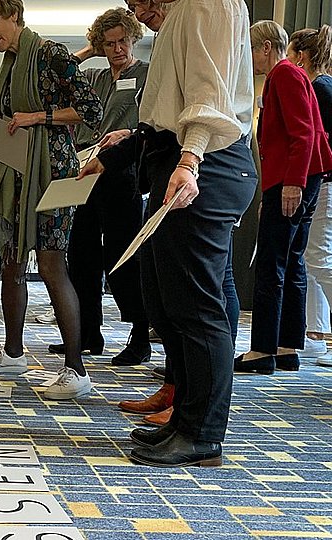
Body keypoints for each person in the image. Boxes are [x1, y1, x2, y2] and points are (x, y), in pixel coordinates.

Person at [83, 0, 257, 467]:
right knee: (171, 301)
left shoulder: (207, 3)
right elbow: (175, 104)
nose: (141, 7)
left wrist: (190, 159)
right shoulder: (184, 11)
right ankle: (185, 420)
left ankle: (202, 435)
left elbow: (210, 93)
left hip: (206, 163)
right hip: (181, 158)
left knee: (198, 308)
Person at [0, 0, 103, 400]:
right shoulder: (9, 65)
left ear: (13, 13)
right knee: (10, 262)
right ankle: (12, 353)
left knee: (51, 265)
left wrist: (39, 116)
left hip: (52, 174)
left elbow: (90, 110)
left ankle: (76, 369)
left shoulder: (51, 54)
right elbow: (10, 127)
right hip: (14, 177)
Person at [46, 8, 151, 366]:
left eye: (122, 40)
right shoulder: (93, 76)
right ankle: (89, 333)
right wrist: (90, 50)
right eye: (109, 43)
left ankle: (140, 337)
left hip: (123, 173)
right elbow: (60, 72)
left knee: (122, 257)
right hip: (85, 171)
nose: (117, 48)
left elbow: (153, 124)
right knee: (81, 256)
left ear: (134, 38)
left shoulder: (146, 74)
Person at [234, 21, 332, 375]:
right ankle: (286, 346)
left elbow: (302, 134)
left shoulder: (284, 74)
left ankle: (262, 350)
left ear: (265, 48)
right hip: (301, 179)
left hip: (295, 180)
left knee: (272, 265)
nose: (251, 58)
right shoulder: (293, 74)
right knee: (292, 263)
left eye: (252, 49)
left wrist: (290, 183)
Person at [291, 25, 332, 365]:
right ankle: (315, 334)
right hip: (325, 182)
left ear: (301, 56)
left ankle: (320, 334)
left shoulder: (318, 88)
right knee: (313, 258)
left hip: (325, 182)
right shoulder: (324, 85)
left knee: (320, 259)